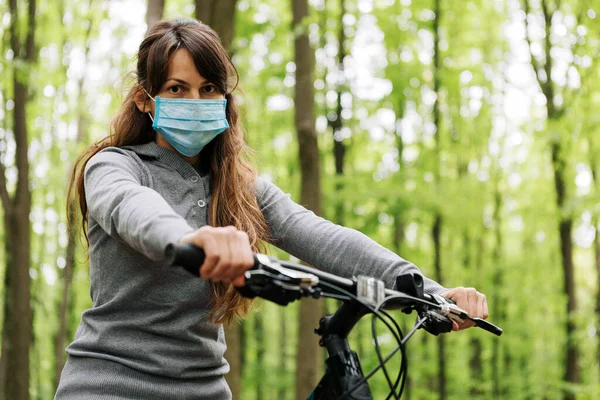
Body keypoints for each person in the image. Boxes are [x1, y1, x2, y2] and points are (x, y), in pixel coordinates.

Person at [55, 17, 488, 399]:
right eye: (176, 89)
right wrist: (191, 239)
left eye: (209, 89)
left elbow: (320, 235)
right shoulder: (114, 166)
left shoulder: (240, 188)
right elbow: (132, 210)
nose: (196, 101)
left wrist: (429, 290)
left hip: (205, 390)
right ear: (146, 100)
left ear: (225, 99)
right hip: (107, 386)